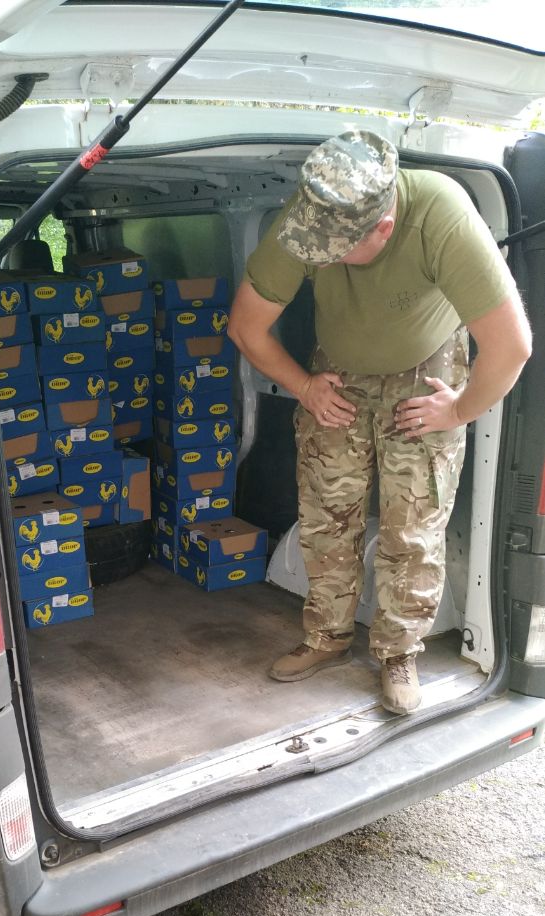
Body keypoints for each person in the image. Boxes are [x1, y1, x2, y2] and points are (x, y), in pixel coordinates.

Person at [228, 129, 532, 714]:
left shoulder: (440, 216)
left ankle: (398, 652)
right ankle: (327, 636)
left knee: (411, 524)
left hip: (426, 372)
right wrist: (304, 386)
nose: (317, 255)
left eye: (334, 249)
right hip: (338, 368)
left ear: (384, 228)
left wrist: (459, 409)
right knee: (326, 510)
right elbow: (245, 325)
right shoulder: (313, 216)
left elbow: (512, 346)